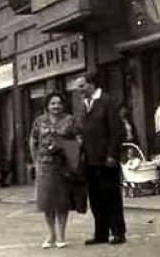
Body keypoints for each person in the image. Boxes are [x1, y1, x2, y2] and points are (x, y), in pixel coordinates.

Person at [74, 74, 126, 245]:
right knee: (95, 198)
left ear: (91, 85)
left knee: (111, 196)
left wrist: (112, 155)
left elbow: (116, 131)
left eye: (81, 86)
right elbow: (80, 129)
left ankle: (118, 232)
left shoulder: (107, 101)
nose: (78, 90)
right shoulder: (84, 105)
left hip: (106, 160)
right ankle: (100, 233)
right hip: (89, 160)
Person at [30, 92, 80, 249]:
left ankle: (62, 235)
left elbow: (78, 140)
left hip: (63, 165)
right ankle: (51, 234)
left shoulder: (70, 120)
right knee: (47, 201)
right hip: (44, 165)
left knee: (62, 201)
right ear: (47, 105)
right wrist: (35, 162)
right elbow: (33, 141)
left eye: (59, 103)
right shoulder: (39, 121)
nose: (56, 106)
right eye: (53, 103)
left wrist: (71, 153)